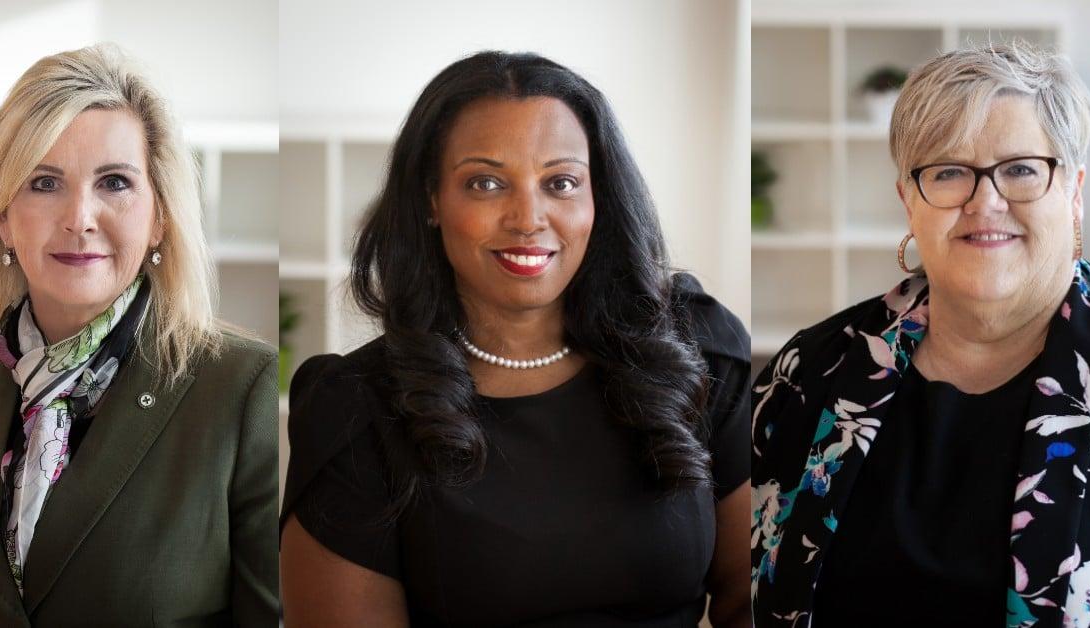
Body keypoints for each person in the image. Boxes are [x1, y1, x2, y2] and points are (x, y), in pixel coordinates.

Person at [280, 51, 751, 627]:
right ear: (431, 198)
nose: (528, 217)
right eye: (486, 183)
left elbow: (755, 598)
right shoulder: (355, 409)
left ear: (596, 198)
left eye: (561, 182)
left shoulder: (697, 349)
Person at [749, 42, 1090, 626]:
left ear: (1073, 191)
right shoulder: (807, 373)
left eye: (1021, 169)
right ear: (909, 199)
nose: (986, 201)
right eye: (949, 172)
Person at [0, 45, 279, 626]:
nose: (80, 217)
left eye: (115, 182)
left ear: (160, 217)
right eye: (44, 183)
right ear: (2, 220)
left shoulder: (244, 389)